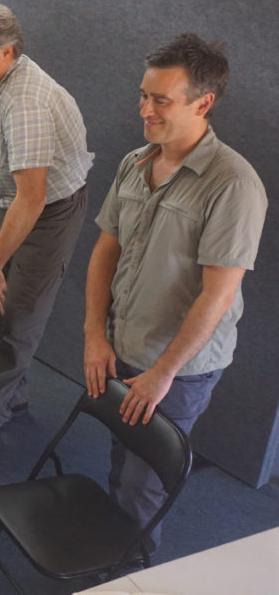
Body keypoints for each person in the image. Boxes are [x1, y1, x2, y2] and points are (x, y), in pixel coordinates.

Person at [83, 33, 266, 549]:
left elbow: (218, 296)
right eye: (143, 95)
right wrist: (95, 333)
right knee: (122, 456)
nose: (145, 109)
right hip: (124, 346)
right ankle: (113, 552)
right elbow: (104, 252)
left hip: (178, 371)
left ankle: (131, 572)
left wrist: (162, 374)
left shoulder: (234, 185)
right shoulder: (136, 162)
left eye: (160, 100)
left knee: (144, 487)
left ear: (203, 103)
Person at [0, 1, 93, 460]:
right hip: (13, 196)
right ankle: (13, 392)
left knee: (18, 318)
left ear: (7, 53)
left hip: (48, 210)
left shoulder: (26, 102)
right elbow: (4, 160)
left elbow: (34, 197)